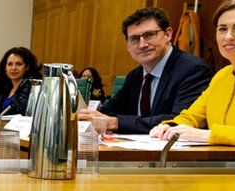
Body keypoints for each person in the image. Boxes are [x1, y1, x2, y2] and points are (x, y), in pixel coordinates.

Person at [78, 7, 212, 133]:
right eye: (134, 39)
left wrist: (115, 123)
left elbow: (178, 121)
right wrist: (86, 116)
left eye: (149, 35)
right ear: (128, 46)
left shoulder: (193, 70)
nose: (142, 44)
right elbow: (108, 111)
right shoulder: (135, 75)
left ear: (168, 34)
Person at [151, 0, 235, 146]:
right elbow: (191, 116)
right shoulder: (221, 76)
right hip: (219, 164)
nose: (228, 36)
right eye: (222, 29)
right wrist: (170, 127)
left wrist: (209, 135)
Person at [0, 46, 40, 115]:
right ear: (5, 67)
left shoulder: (30, 85)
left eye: (19, 64)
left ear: (27, 67)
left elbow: (16, 110)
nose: (14, 68)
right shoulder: (5, 86)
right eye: (10, 64)